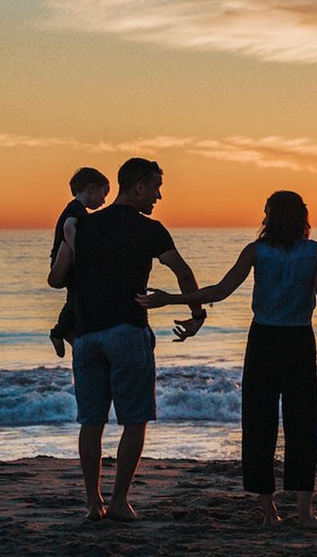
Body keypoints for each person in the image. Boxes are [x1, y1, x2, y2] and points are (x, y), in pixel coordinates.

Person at [138, 191, 317, 528]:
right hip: (297, 341)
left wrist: (173, 299)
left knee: (260, 424)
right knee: (303, 426)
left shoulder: (259, 251)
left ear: (270, 216)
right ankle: (304, 512)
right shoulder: (314, 252)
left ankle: (268, 508)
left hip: (266, 341)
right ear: (302, 217)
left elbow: (220, 291)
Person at [48, 157, 207, 522]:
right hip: (127, 332)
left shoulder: (81, 227)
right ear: (138, 186)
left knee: (91, 422)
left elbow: (58, 277)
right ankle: (119, 501)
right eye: (155, 187)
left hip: (87, 336)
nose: (159, 196)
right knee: (134, 420)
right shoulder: (150, 229)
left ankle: (93, 504)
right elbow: (183, 272)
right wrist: (197, 315)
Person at [49, 167, 110, 357]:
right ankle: (60, 331)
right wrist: (82, 253)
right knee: (76, 296)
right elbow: (69, 228)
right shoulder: (76, 208)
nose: (104, 200)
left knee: (76, 297)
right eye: (104, 193)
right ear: (92, 188)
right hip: (66, 262)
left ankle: (66, 331)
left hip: (70, 261)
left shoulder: (76, 209)